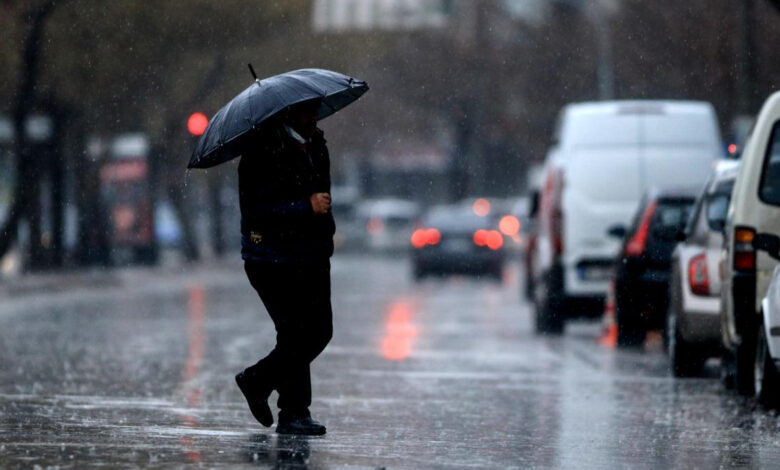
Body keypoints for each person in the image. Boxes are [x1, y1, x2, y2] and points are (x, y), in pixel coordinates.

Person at [234, 98, 334, 436]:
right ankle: (292, 411)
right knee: (297, 333)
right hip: (272, 259)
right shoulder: (261, 152)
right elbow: (257, 212)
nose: (315, 118)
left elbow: (324, 196)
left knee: (318, 332)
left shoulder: (316, 145)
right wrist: (303, 207)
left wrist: (324, 236)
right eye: (308, 112)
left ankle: (260, 383)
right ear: (290, 113)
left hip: (312, 255)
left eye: (316, 111)